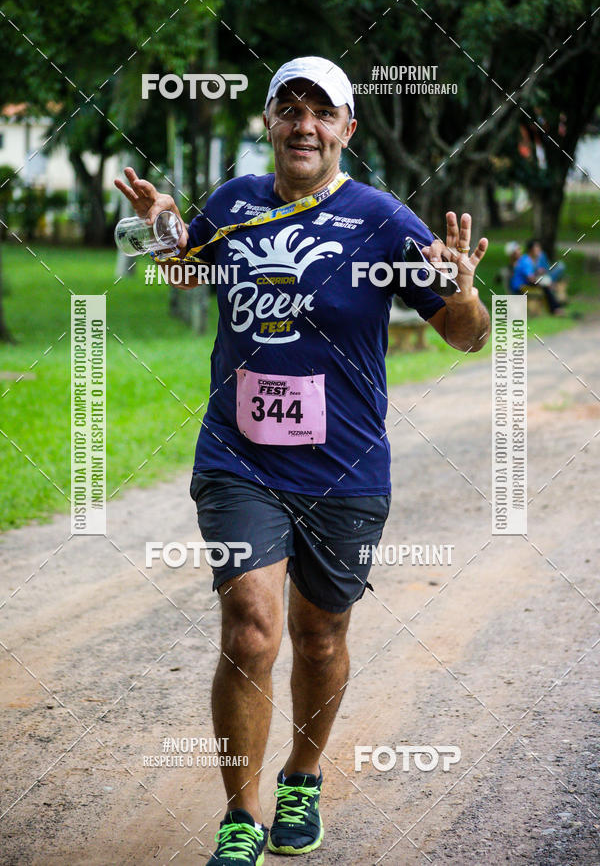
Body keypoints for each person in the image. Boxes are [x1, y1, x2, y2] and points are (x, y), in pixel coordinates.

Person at [115, 55, 491, 866]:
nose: (305, 125)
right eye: (290, 109)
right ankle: (240, 816)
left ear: (347, 129)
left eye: (323, 113)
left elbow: (465, 336)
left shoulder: (384, 221)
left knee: (319, 638)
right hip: (238, 458)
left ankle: (303, 778)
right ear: (270, 122)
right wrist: (164, 229)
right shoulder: (234, 202)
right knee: (252, 630)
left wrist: (460, 289)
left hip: (345, 468)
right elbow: (185, 268)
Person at [510, 238, 565, 314]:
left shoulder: (531, 259)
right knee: (545, 286)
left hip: (525, 284)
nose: (539, 249)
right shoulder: (526, 261)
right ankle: (555, 309)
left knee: (545, 285)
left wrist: (538, 273)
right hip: (520, 287)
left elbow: (531, 276)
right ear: (531, 249)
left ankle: (556, 307)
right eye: (537, 247)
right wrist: (546, 283)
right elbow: (530, 278)